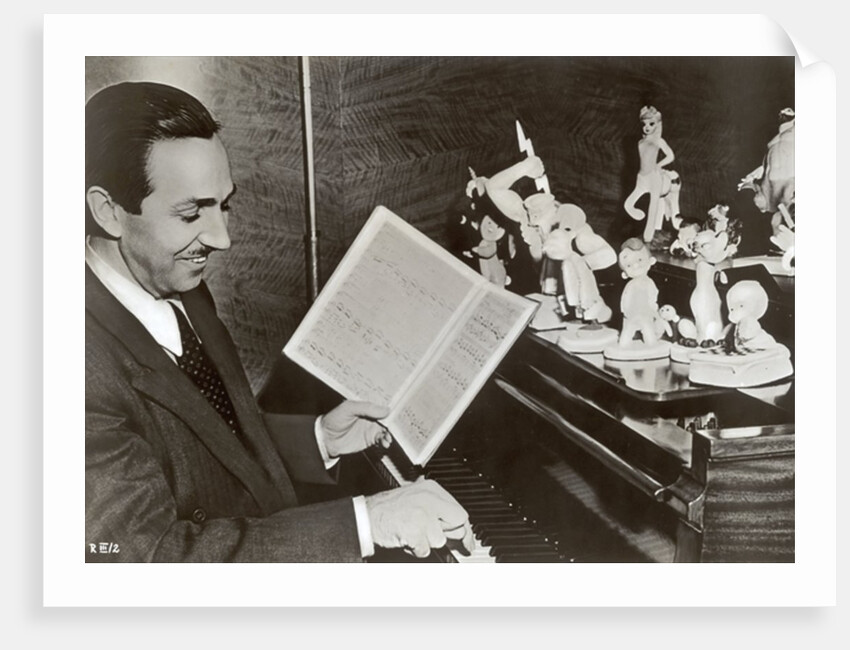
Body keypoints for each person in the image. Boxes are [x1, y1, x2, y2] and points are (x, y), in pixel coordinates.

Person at [85, 81, 474, 562]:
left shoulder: (178, 280)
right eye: (191, 214)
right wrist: (365, 523)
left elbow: (208, 445)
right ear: (108, 211)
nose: (222, 239)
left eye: (223, 205)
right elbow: (146, 558)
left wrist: (316, 441)